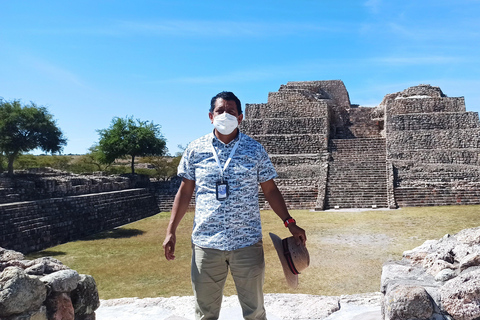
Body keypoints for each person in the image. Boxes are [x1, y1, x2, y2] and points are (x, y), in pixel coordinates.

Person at [162, 91, 307, 320]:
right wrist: (171, 231)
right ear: (211, 116)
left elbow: (270, 190)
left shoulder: (254, 149)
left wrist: (290, 223)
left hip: (246, 242)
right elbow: (185, 191)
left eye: (231, 111)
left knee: (255, 312)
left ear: (240, 117)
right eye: (220, 111)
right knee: (205, 314)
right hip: (206, 244)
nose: (225, 115)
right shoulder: (195, 149)